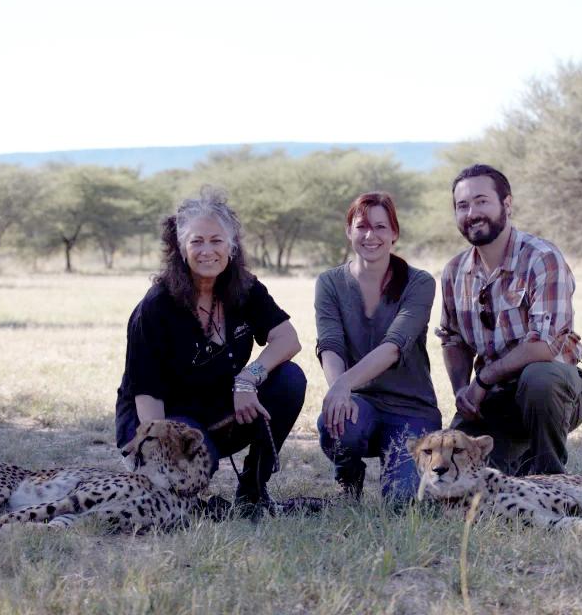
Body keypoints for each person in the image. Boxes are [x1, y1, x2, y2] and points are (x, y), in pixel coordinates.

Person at [115, 188, 306, 510]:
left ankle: (253, 492)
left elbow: (289, 339)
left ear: (231, 246)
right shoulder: (156, 307)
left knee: (289, 378)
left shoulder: (246, 289)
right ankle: (172, 488)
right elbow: (147, 394)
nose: (207, 251)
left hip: (221, 409)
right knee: (195, 469)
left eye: (216, 240)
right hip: (164, 420)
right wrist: (161, 455)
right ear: (180, 247)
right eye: (196, 241)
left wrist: (248, 379)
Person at [435, 164, 582, 476]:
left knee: (539, 379)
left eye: (482, 201)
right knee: (460, 471)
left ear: (506, 204)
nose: (472, 213)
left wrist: (481, 381)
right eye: (462, 205)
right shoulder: (454, 271)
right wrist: (461, 392)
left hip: (553, 390)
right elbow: (452, 339)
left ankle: (551, 476)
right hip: (492, 397)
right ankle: (519, 461)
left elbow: (544, 347)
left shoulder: (541, 258)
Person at [315, 192, 440, 500]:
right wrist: (339, 391)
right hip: (360, 404)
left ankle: (397, 472)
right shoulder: (330, 283)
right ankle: (349, 475)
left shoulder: (419, 282)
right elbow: (330, 343)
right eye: (362, 226)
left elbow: (395, 345)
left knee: (403, 501)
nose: (371, 235)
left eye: (381, 227)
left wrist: (343, 384)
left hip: (411, 408)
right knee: (340, 425)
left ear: (394, 233)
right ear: (349, 232)